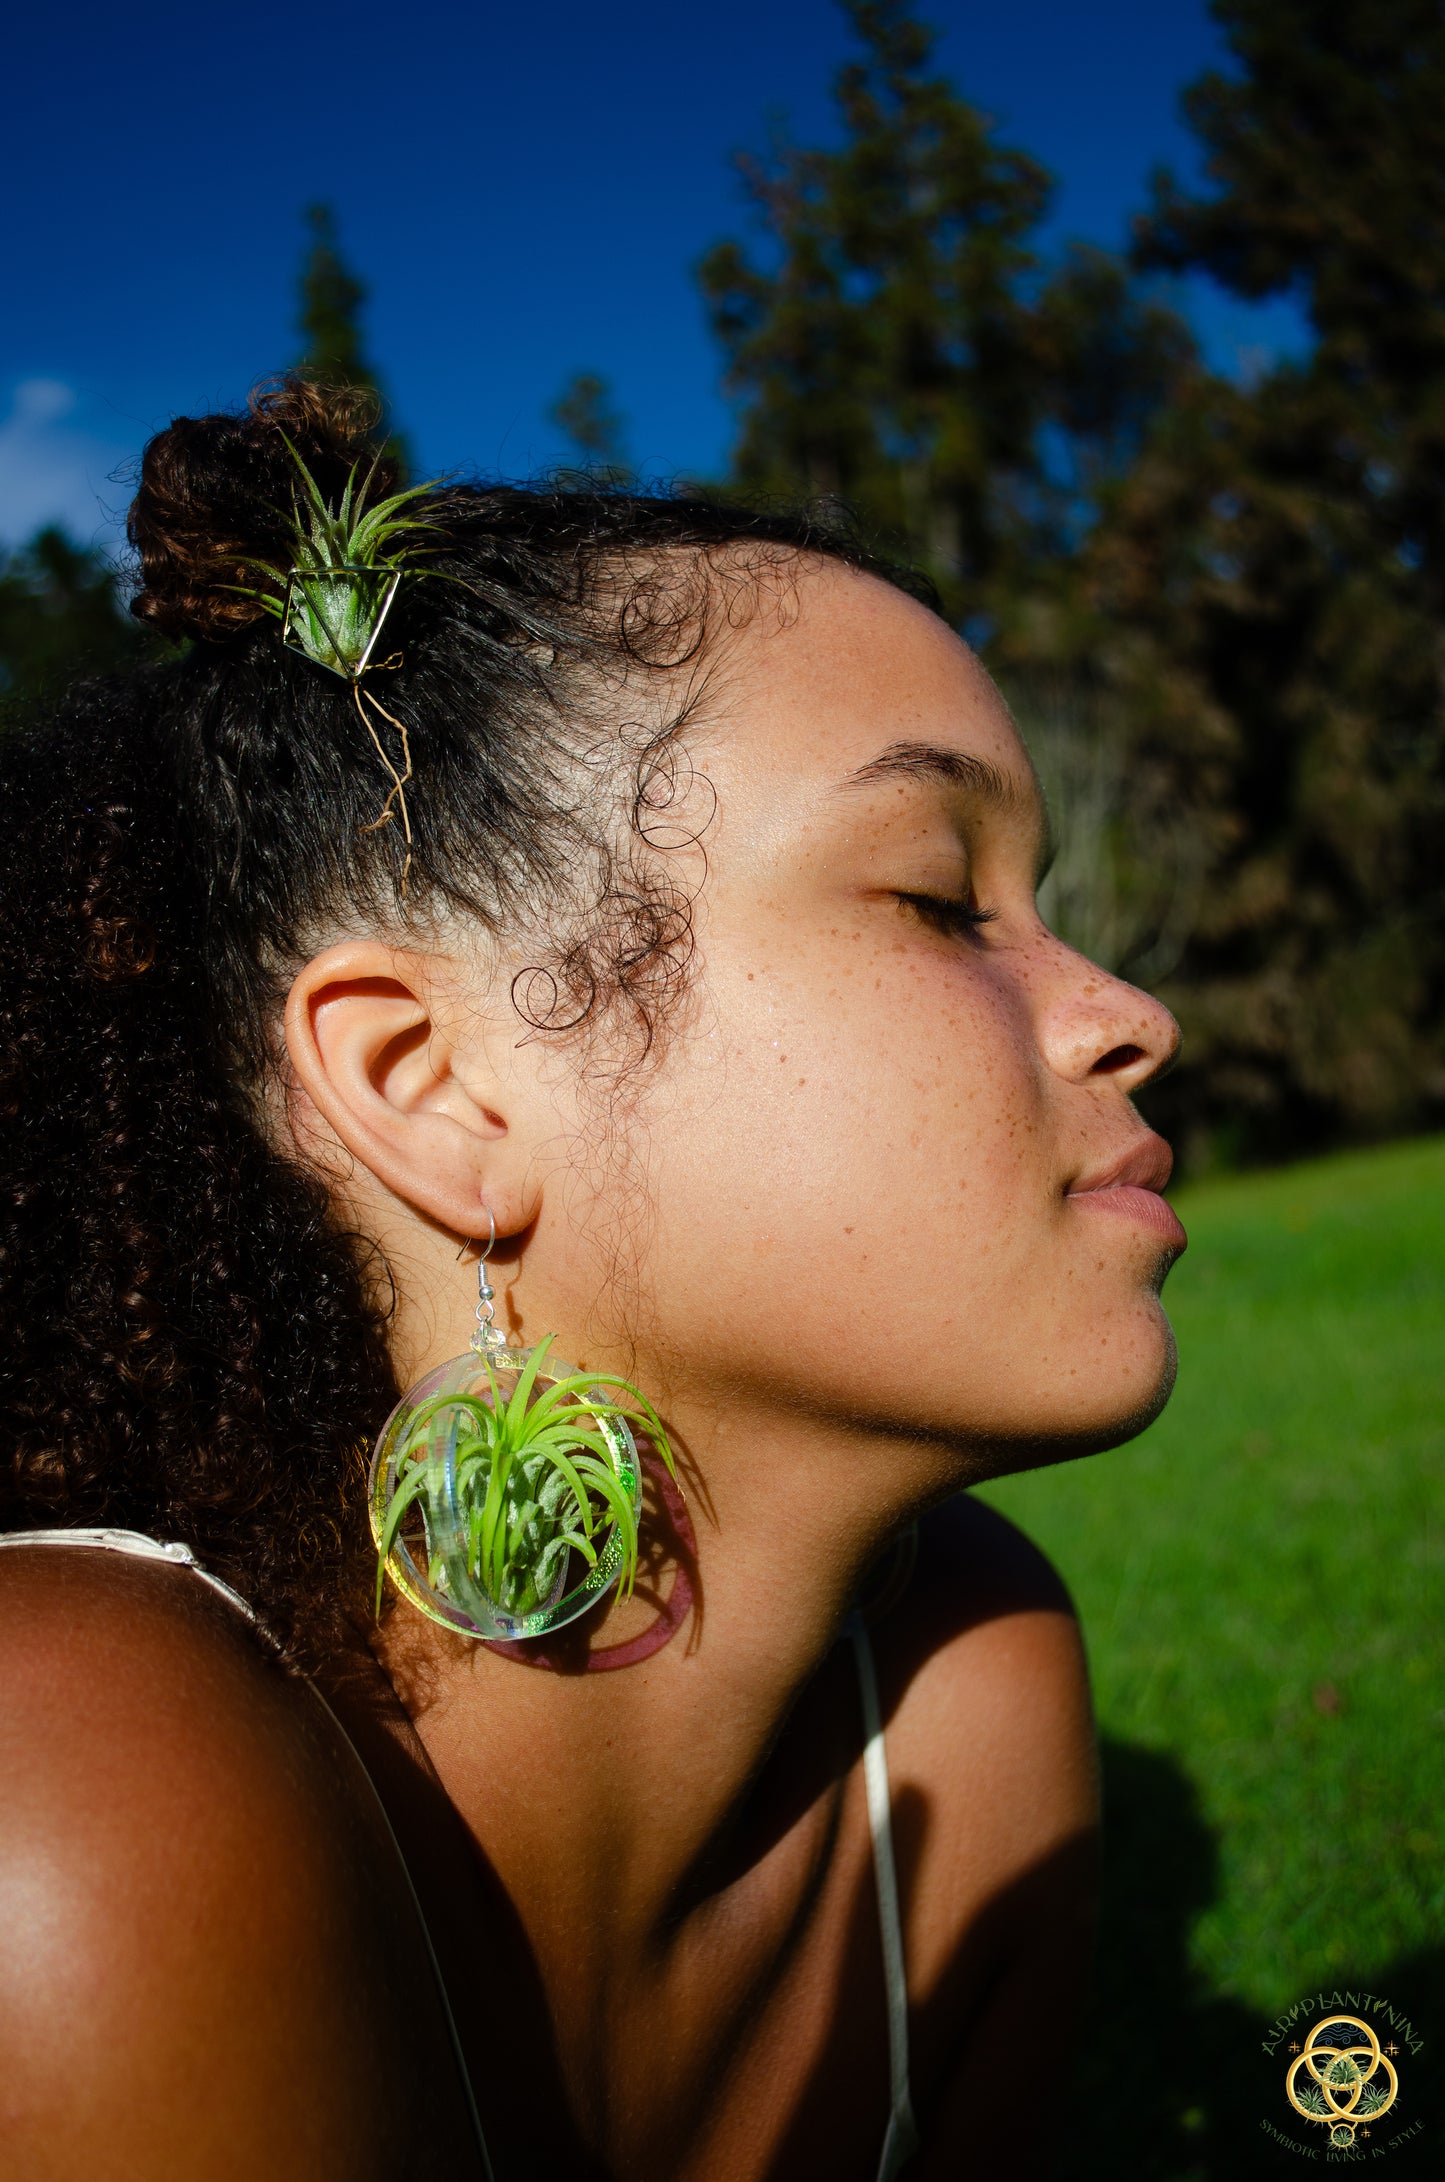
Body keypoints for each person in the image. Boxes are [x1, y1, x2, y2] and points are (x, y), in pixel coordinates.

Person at [0, 378, 1184, 2181]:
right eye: (940, 899)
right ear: (432, 1084)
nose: (1126, 1017)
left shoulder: (969, 1689)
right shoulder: (60, 1789)